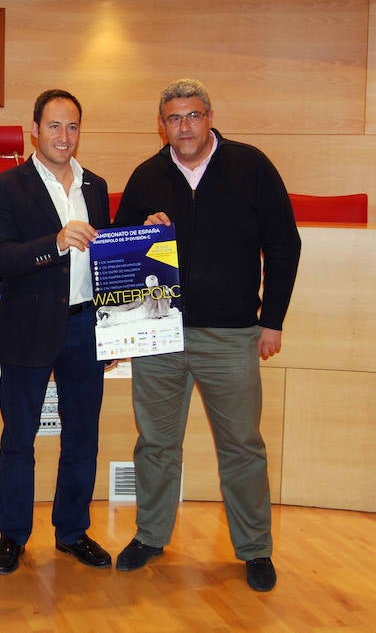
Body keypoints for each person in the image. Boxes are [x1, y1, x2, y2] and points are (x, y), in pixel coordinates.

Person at [111, 78, 301, 592]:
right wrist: (144, 235)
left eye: (193, 115)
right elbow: (118, 257)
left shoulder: (251, 165)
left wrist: (273, 319)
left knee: (241, 444)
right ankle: (151, 536)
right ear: (162, 124)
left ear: (210, 116)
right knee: (155, 443)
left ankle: (254, 549)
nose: (184, 126)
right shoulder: (146, 177)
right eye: (174, 118)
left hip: (233, 334)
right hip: (160, 337)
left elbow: (285, 244)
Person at [0, 89, 112, 575]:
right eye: (54, 126)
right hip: (28, 328)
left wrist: (147, 231)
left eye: (72, 126)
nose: (64, 136)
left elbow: (108, 255)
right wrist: (54, 243)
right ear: (33, 129)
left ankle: (73, 531)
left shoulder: (94, 186)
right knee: (20, 436)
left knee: (82, 436)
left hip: (85, 327)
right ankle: (13, 536)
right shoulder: (5, 185)